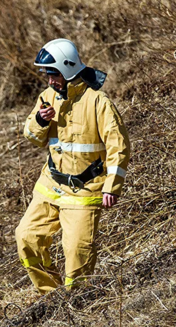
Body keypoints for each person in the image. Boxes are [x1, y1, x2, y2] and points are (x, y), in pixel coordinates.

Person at [15, 38, 131, 294]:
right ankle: (51, 297)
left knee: (77, 251)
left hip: (85, 191)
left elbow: (119, 146)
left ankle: (76, 301)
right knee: (26, 237)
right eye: (47, 75)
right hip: (50, 186)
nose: (50, 81)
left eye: (54, 74)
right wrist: (40, 121)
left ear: (67, 69)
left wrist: (112, 186)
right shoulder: (47, 97)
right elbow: (32, 138)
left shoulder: (98, 102)